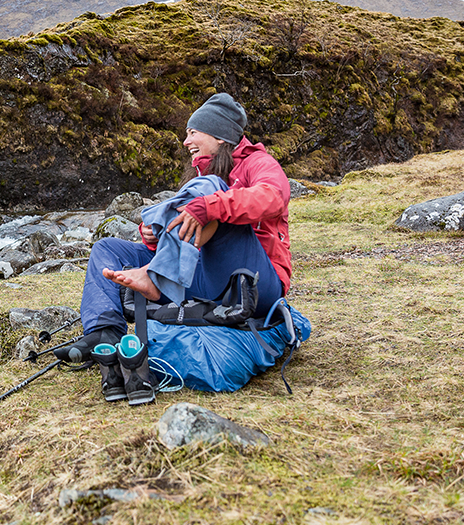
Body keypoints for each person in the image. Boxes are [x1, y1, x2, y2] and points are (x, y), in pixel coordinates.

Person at [64, 92, 293, 405]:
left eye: (192, 133)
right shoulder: (202, 172)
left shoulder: (257, 164)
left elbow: (273, 198)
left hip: (253, 283)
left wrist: (209, 206)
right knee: (108, 249)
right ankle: (105, 334)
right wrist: (154, 238)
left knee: (210, 191)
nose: (186, 142)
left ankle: (152, 275)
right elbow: (191, 235)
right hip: (203, 276)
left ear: (219, 134)